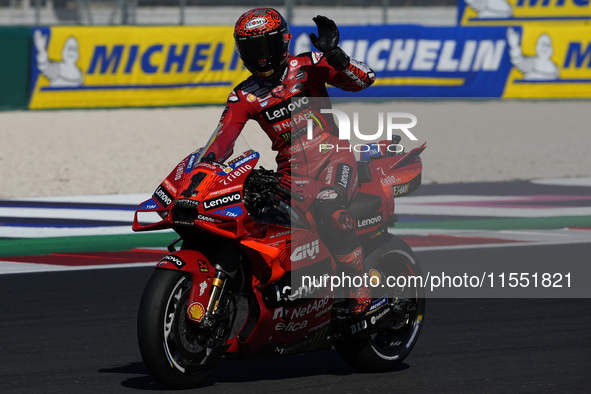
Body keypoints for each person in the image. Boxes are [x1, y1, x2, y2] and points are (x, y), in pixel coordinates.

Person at [203, 8, 376, 315]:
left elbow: (364, 80)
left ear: (283, 41)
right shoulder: (244, 96)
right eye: (251, 49)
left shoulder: (310, 65)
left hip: (334, 158)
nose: (260, 57)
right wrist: (204, 169)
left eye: (265, 47)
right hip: (291, 175)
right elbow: (222, 139)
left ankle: (359, 286)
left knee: (329, 205)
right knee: (256, 219)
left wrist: (335, 54)